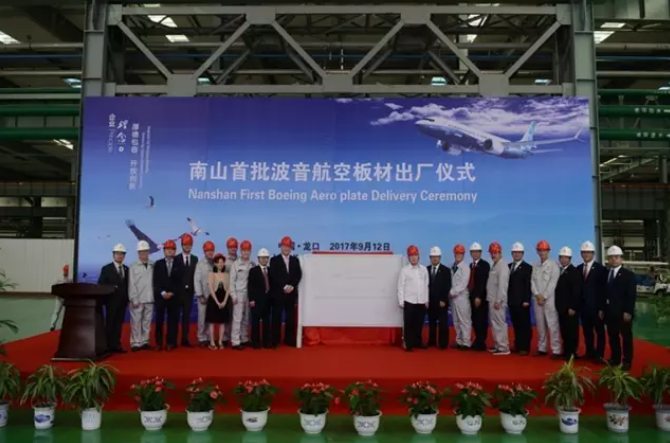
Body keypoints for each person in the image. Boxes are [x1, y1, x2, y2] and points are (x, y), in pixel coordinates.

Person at [602, 245, 637, 370]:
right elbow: (604, 294)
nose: (613, 259)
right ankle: (615, 359)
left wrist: (628, 311)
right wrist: (603, 309)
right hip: (610, 312)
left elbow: (631, 295)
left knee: (626, 337)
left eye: (616, 257)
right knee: (613, 337)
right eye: (611, 257)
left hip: (623, 313)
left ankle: (627, 361)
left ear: (621, 258)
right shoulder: (606, 274)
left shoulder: (628, 275)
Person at [576, 241, 607, 364]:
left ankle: (599, 355)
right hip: (584, 308)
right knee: (587, 331)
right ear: (581, 254)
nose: (586, 254)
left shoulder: (601, 269)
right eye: (584, 252)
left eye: (588, 252)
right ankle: (589, 352)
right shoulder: (578, 269)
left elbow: (603, 290)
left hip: (596, 308)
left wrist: (602, 308)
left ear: (593, 254)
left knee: (599, 332)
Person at [269, 236, 302, 348]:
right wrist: (284, 286)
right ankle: (275, 340)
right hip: (278, 293)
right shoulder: (274, 260)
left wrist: (292, 286)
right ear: (281, 247)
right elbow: (273, 275)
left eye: (288, 246)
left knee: (290, 317)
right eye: (284, 246)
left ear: (291, 248)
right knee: (276, 316)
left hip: (291, 293)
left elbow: (298, 274)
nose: (286, 248)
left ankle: (290, 339)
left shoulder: (295, 260)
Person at [532, 240, 562, 360]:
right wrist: (537, 295)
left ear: (548, 251)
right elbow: (532, 282)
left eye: (544, 250)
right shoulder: (535, 265)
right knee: (540, 326)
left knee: (552, 325)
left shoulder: (554, 265)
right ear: (537, 252)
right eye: (540, 250)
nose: (542, 252)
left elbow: (553, 283)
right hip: (537, 300)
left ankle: (556, 349)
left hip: (549, 300)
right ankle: (542, 348)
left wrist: (544, 296)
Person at [97, 244, 129, 353]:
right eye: (118, 253)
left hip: (122, 302)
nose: (120, 256)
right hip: (111, 301)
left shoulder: (126, 269)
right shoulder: (106, 269)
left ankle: (116, 344)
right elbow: (101, 285)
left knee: (118, 324)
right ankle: (107, 346)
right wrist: (111, 288)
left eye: (122, 254)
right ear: (113, 255)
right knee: (110, 323)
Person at [398, 245, 429, 352]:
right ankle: (408, 343)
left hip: (421, 301)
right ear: (408, 257)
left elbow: (426, 285)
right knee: (409, 324)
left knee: (419, 323)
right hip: (409, 301)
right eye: (411, 256)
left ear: (418, 256)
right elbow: (400, 286)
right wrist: (401, 301)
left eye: (415, 255)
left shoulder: (424, 269)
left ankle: (417, 342)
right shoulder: (404, 270)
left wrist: (426, 300)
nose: (414, 258)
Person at [153, 240, 181, 351]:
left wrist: (172, 293)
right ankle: (159, 343)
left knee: (173, 320)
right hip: (160, 296)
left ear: (175, 251)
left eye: (172, 249)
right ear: (164, 251)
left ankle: (171, 342)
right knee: (159, 320)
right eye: (168, 249)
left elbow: (180, 281)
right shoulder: (158, 264)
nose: (170, 251)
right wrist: (163, 292)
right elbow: (155, 281)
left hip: (174, 297)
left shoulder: (179, 264)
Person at [555, 246, 582, 361]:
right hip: (561, 308)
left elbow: (577, 291)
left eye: (566, 257)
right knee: (564, 331)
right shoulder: (559, 270)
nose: (563, 259)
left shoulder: (574, 272)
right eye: (561, 257)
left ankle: (572, 353)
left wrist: (573, 307)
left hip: (570, 309)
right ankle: (566, 351)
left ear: (570, 259)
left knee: (572, 332)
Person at [128, 240, 154, 352]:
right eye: (141, 251)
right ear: (138, 252)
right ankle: (135, 342)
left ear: (148, 252)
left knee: (147, 322)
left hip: (150, 298)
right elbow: (131, 283)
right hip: (137, 299)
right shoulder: (133, 266)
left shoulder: (153, 265)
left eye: (145, 251)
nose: (144, 253)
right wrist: (133, 298)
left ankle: (145, 341)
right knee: (136, 322)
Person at [507, 242, 533, 356]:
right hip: (512, 301)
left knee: (524, 325)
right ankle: (518, 345)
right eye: (514, 252)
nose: (516, 254)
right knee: (516, 324)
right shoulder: (508, 267)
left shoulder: (528, 268)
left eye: (519, 252)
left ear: (522, 254)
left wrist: (527, 299)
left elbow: (528, 285)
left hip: (523, 302)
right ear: (512, 253)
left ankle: (525, 347)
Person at [229, 240, 256, 350]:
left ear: (250, 251)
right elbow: (231, 282)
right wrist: (233, 295)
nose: (246, 252)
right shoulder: (235, 264)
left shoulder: (252, 264)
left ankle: (244, 338)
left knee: (246, 318)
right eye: (244, 250)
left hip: (249, 294)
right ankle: (235, 341)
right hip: (238, 294)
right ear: (241, 251)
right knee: (237, 318)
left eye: (248, 250)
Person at [486, 242, 510, 356]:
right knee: (495, 324)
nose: (493, 255)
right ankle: (498, 345)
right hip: (492, 299)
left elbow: (503, 285)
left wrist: (499, 300)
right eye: (491, 253)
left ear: (500, 253)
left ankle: (503, 347)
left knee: (500, 323)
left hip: (497, 301)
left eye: (495, 252)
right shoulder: (495, 265)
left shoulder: (502, 266)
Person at [174, 233, 198, 347]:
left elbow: (196, 276)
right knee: (175, 317)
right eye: (185, 244)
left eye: (189, 245)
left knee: (186, 318)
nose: (187, 246)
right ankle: (173, 340)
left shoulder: (195, 259)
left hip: (189, 294)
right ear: (181, 245)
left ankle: (184, 339)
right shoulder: (176, 259)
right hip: (177, 294)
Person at [426, 246, 452, 349]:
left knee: (443, 323)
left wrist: (444, 300)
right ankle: (431, 341)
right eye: (432, 257)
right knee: (432, 323)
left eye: (436, 256)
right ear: (430, 258)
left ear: (440, 257)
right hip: (430, 301)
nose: (434, 259)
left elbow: (447, 286)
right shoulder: (426, 270)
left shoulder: (446, 270)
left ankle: (443, 343)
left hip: (441, 302)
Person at [248, 248, 272, 349]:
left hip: (268, 301)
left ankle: (266, 342)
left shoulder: (271, 270)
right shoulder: (253, 271)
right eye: (262, 258)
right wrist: (251, 299)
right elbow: (250, 286)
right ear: (258, 258)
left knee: (267, 322)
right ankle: (256, 342)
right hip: (256, 301)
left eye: (266, 258)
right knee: (255, 322)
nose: (264, 259)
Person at [206, 254, 231, 350]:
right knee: (212, 322)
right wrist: (217, 302)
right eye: (218, 262)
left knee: (222, 322)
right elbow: (211, 289)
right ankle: (212, 342)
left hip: (224, 298)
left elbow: (228, 289)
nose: (220, 264)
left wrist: (224, 301)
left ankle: (220, 341)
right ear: (215, 264)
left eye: (222, 262)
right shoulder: (211, 274)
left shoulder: (226, 275)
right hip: (213, 299)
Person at [450, 244, 472, 350]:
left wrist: (453, 291)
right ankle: (459, 341)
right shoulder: (452, 266)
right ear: (454, 254)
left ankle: (466, 342)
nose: (458, 255)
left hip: (462, 297)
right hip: (452, 299)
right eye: (457, 253)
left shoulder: (466, 267)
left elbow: (464, 283)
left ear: (463, 255)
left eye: (461, 253)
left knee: (464, 320)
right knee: (456, 321)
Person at [469, 242, 490, 351]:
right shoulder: (470, 266)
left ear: (480, 253)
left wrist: (479, 296)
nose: (475, 254)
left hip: (480, 298)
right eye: (473, 252)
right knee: (475, 320)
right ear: (470, 253)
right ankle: (477, 339)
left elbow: (483, 282)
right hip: (471, 297)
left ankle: (481, 342)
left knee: (481, 320)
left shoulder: (485, 265)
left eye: (477, 252)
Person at [194, 241, 216, 347]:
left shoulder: (216, 262)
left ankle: (209, 337)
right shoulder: (200, 264)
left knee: (211, 318)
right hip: (203, 296)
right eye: (208, 250)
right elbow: (196, 280)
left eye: (211, 250)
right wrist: (200, 295)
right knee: (202, 318)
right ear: (204, 251)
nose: (210, 252)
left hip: (213, 296)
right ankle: (201, 337)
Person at [223, 237, 239, 346]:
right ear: (227, 248)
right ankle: (225, 337)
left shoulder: (240, 260)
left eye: (234, 247)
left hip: (238, 291)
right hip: (226, 292)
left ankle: (236, 337)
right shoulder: (224, 260)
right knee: (227, 316)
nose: (233, 249)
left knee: (237, 316)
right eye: (231, 247)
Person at [49, 264, 73, 331]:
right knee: (56, 312)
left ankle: (65, 326)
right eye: (65, 270)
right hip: (59, 298)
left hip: (66, 298)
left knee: (66, 313)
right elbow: (54, 286)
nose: (66, 272)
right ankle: (52, 326)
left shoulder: (70, 279)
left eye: (67, 271)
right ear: (63, 270)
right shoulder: (58, 278)